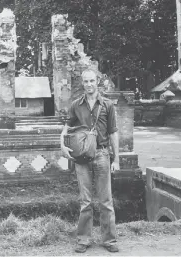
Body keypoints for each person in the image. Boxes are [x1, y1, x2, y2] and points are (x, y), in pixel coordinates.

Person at [60, 69, 120, 253]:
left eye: (92, 81)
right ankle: (83, 239)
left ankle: (109, 240)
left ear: (98, 82)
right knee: (85, 201)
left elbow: (113, 133)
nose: (89, 84)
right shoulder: (76, 105)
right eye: (85, 81)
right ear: (82, 83)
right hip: (81, 158)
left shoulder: (108, 105)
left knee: (106, 201)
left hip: (102, 154)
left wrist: (116, 159)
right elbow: (66, 128)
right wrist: (62, 145)